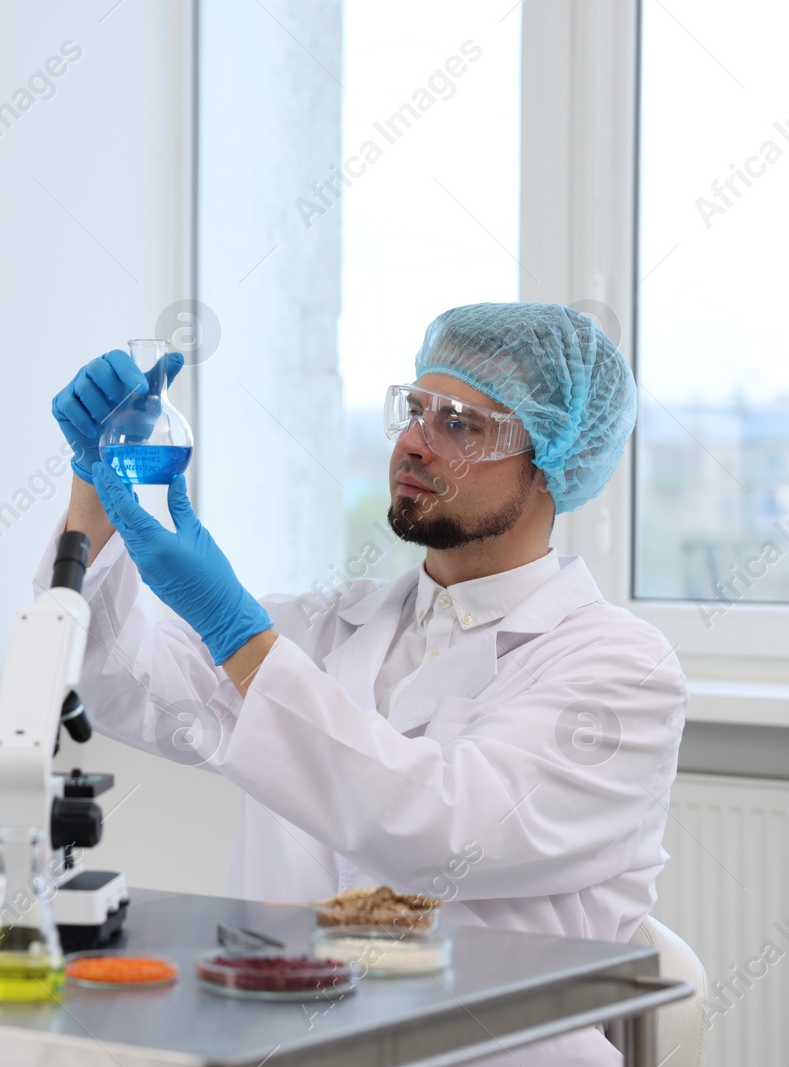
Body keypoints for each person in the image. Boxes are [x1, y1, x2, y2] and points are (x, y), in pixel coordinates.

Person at [44, 303, 684, 1066]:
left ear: (551, 458)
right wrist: (95, 481)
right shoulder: (336, 623)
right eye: (415, 409)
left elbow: (439, 830)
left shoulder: (620, 668)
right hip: (275, 1041)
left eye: (460, 424)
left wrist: (241, 639)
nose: (414, 441)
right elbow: (111, 678)